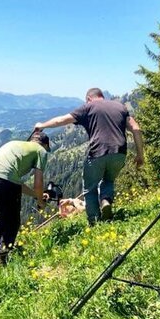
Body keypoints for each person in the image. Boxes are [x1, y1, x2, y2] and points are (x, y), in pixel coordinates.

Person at [34, 88, 144, 225]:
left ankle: (95, 222)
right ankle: (105, 200)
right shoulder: (120, 106)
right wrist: (140, 155)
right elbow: (136, 128)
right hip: (119, 153)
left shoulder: (88, 107)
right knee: (108, 181)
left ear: (88, 98)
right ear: (102, 96)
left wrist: (42, 125)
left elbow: (62, 120)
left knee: (90, 188)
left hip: (98, 152)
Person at [0, 131, 50, 265]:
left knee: (3, 217)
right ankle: (2, 257)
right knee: (13, 222)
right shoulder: (41, 151)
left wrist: (37, 195)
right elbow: (38, 183)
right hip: (4, 181)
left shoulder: (16, 144)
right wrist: (41, 202)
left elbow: (16, 183)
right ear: (46, 144)